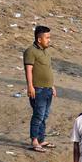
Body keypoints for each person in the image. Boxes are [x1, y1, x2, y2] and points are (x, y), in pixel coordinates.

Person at [23, 25, 55, 153]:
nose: (49, 40)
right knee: (38, 115)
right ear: (39, 39)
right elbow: (28, 70)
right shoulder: (30, 51)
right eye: (47, 37)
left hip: (48, 89)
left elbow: (47, 69)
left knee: (44, 115)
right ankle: (34, 141)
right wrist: (30, 86)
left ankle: (41, 139)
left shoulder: (46, 52)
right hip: (38, 89)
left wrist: (52, 86)